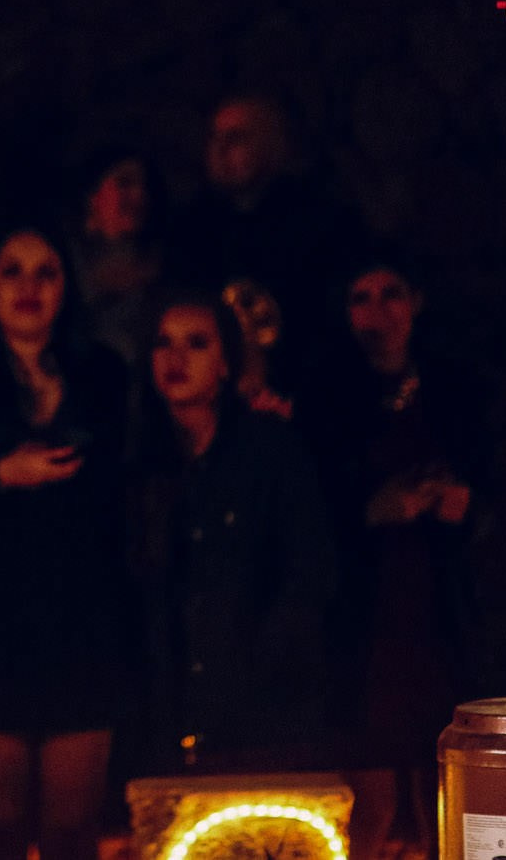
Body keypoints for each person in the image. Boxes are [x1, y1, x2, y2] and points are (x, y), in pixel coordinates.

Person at [0, 227, 129, 860]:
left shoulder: (104, 375)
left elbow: (136, 485)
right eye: (12, 270)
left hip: (83, 623)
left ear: (68, 285)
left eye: (46, 272)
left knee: (74, 833)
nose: (29, 287)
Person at [301, 252, 486, 851]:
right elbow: (316, 503)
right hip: (367, 616)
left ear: (416, 301)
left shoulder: (456, 388)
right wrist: (373, 509)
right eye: (362, 297)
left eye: (391, 293)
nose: (377, 311)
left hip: (442, 610)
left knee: (445, 790)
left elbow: (497, 486)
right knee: (372, 797)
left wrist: (464, 505)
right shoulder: (328, 401)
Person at [130, 291, 336, 769]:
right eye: (164, 343)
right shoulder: (140, 460)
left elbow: (310, 570)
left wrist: (273, 656)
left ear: (225, 363)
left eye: (197, 343)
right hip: (164, 712)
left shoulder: (269, 450)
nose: (176, 358)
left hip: (261, 710)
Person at [167, 93, 363, 388]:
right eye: (214, 137)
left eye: (236, 138)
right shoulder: (190, 230)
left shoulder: (319, 223)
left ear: (272, 143)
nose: (221, 149)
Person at [65, 146, 166, 373]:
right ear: (93, 196)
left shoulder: (163, 264)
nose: (139, 195)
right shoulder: (63, 263)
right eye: (125, 183)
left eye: (144, 186)